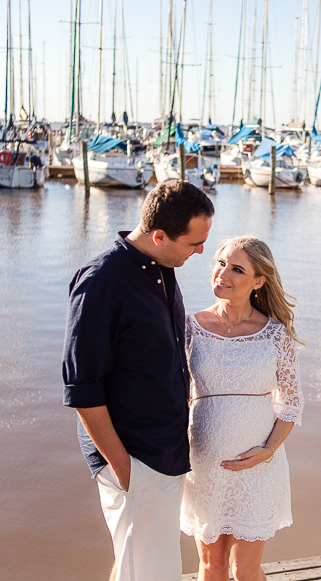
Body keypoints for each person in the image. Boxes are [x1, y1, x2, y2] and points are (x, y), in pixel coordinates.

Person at [62, 180, 214, 581]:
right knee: (149, 572)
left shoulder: (162, 268)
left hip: (163, 450)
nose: (200, 252)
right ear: (159, 235)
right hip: (133, 457)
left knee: (140, 566)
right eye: (193, 243)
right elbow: (83, 390)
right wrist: (123, 468)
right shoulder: (102, 282)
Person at [181, 236, 304, 581]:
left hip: (258, 466)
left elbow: (291, 403)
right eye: (221, 263)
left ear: (258, 281)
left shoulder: (276, 334)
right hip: (203, 462)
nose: (223, 274)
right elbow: (172, 392)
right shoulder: (189, 326)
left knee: (244, 569)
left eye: (237, 269)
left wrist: (268, 450)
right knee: (212, 566)